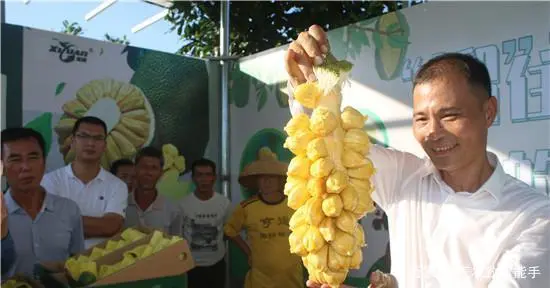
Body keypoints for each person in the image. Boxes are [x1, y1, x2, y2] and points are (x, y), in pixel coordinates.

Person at [285, 25, 550, 287]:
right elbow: (329, 146)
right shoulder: (405, 176)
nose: (433, 132)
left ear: (488, 112)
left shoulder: (535, 217)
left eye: (450, 116)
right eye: (421, 119)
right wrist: (313, 79)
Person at [1, 128, 85, 278]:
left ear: (44, 161)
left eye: (33, 157)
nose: (26, 167)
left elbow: (78, 265)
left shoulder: (69, 210)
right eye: (15, 159)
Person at [41, 116, 128, 249]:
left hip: (100, 263)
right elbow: (47, 225)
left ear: (104, 145)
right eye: (84, 136)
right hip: (57, 262)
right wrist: (97, 226)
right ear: (73, 141)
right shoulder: (50, 181)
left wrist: (63, 222)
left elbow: (111, 227)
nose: (90, 143)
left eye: (98, 138)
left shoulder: (117, 185)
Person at [224, 147, 305, 288]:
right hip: (260, 279)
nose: (267, 181)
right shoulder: (247, 207)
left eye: (272, 177)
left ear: (280, 180)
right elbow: (230, 230)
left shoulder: (295, 205)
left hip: (291, 277)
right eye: (262, 177)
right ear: (256, 181)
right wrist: (248, 252)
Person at [180, 158, 231, 288]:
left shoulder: (224, 203)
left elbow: (228, 232)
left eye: (208, 175)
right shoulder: (182, 204)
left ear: (214, 178)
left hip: (217, 264)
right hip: (190, 266)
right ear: (193, 178)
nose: (204, 179)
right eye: (199, 175)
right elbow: (179, 237)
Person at [124, 147, 182, 235]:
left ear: (161, 173)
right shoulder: (120, 205)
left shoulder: (173, 210)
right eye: (144, 167)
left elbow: (177, 245)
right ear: (135, 169)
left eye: (154, 168)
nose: (148, 173)